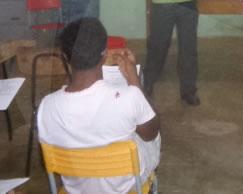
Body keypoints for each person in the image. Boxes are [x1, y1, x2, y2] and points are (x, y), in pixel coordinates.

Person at [37, 18, 160, 194]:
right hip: (127, 188)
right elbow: (151, 133)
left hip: (75, 189)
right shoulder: (130, 97)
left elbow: (45, 161)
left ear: (65, 58)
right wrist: (134, 80)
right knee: (148, 125)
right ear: (104, 55)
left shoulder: (46, 107)